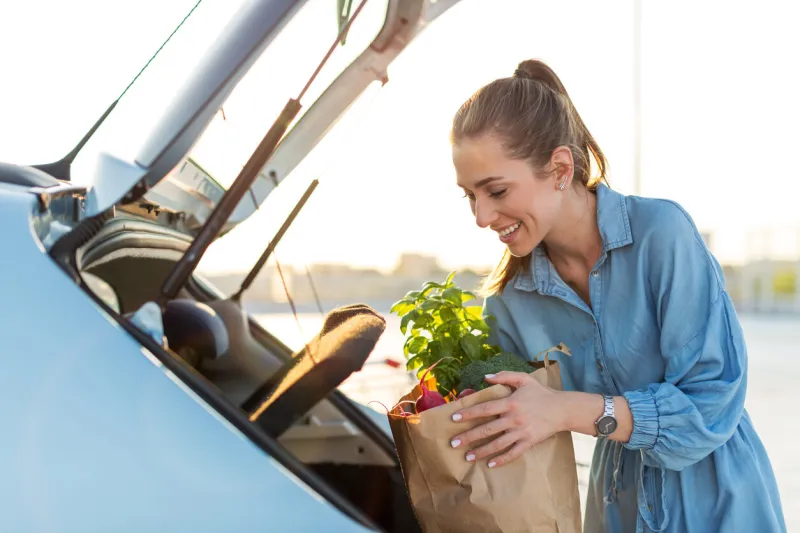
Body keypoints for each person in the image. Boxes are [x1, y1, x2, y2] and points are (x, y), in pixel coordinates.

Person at [446, 59, 786, 533]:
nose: (482, 217)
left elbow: (708, 408)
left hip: (720, 500)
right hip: (614, 510)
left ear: (560, 168)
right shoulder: (507, 302)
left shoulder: (660, 235)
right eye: (470, 197)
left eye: (497, 191)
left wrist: (566, 410)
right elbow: (516, 428)